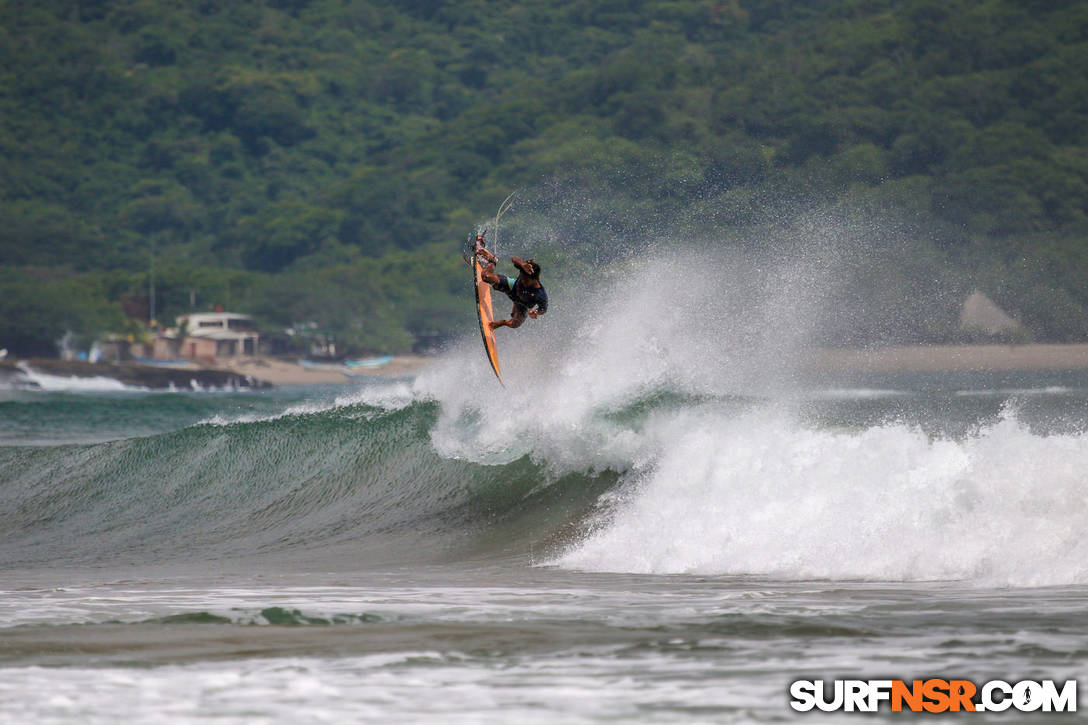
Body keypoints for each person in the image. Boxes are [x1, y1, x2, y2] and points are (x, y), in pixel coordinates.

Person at [474, 235, 548, 330]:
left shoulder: (540, 294)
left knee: (515, 324)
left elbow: (544, 308)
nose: (523, 280)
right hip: (512, 287)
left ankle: (501, 323)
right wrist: (522, 264)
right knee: (486, 277)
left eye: (525, 280)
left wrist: (536, 312)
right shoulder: (525, 269)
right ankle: (492, 260)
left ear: (534, 279)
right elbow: (514, 259)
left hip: (522, 305)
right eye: (521, 276)